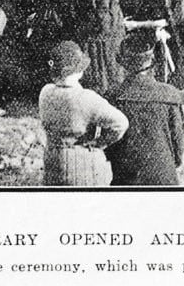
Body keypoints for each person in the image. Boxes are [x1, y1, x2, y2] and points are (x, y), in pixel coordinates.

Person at [39, 41, 129, 186]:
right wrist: (100, 142)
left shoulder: (46, 92)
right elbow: (121, 123)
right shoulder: (86, 97)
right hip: (81, 165)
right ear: (79, 71)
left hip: (52, 161)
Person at [105, 30, 184, 186]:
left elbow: (109, 150)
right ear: (152, 61)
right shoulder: (170, 96)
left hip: (126, 178)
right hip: (164, 177)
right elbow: (177, 150)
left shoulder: (112, 97)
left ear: (123, 63)